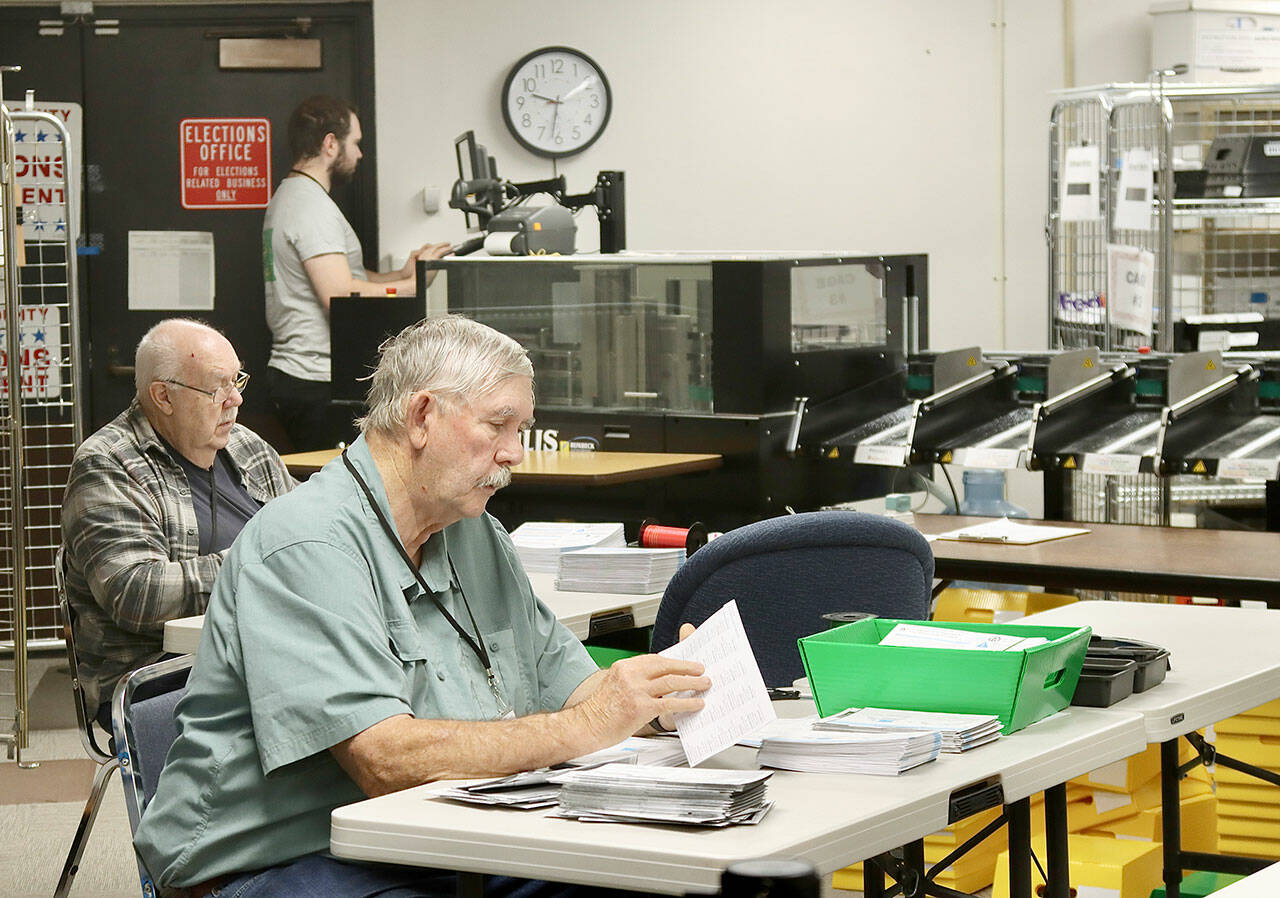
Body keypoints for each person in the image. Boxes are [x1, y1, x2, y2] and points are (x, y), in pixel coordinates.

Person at [133, 316, 706, 898]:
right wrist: (589, 724)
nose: (514, 452)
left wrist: (656, 699)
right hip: (278, 859)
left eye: (522, 429)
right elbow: (383, 760)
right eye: (499, 425)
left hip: (434, 838)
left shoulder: (473, 532)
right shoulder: (308, 544)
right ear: (422, 416)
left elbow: (570, 685)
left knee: (647, 881)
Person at [61, 319, 295, 732]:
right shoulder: (108, 463)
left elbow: (308, 530)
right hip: (157, 675)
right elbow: (136, 592)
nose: (235, 399)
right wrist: (259, 564)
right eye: (216, 388)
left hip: (262, 652)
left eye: (237, 379)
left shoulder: (247, 446)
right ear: (162, 396)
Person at [263, 94, 453, 451]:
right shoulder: (311, 207)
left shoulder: (296, 198)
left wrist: (401, 275)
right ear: (331, 144)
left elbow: (346, 275)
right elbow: (340, 296)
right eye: (356, 143)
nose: (360, 154)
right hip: (314, 381)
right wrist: (413, 289)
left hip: (306, 377)